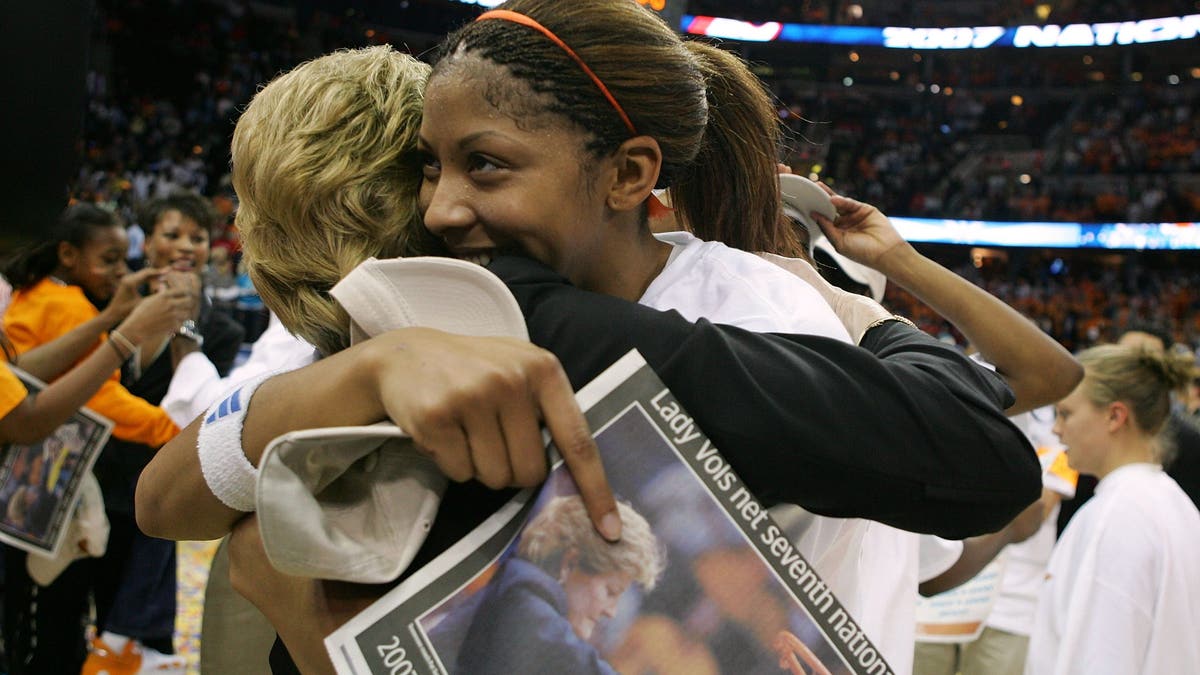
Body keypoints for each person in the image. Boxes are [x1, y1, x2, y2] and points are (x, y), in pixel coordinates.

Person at [135, 43, 1043, 674]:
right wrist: (358, 373)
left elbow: (986, 459)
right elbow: (162, 496)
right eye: (433, 167)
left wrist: (307, 616)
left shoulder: (587, 327)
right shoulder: (389, 352)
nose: (452, 205)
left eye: (481, 165)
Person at [1, 202, 196, 674]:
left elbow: (22, 375)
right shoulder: (66, 303)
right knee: (46, 627)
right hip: (41, 491)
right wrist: (177, 430)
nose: (119, 269)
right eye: (109, 259)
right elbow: (59, 406)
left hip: (50, 487)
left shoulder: (43, 296)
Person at [81, 191, 244, 674]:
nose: (186, 246)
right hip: (94, 473)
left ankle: (122, 652)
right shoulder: (105, 304)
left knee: (142, 591)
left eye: (197, 237)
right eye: (171, 234)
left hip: (157, 478)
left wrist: (184, 326)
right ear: (146, 242)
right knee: (90, 592)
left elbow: (201, 413)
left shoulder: (222, 330)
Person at [1024, 345, 1200, 674]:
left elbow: (1103, 658)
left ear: (1115, 416)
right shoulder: (1173, 503)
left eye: (1066, 414)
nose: (1056, 429)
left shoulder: (1118, 516)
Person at [440, 495, 664, 674]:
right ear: (570, 563)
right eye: (610, 592)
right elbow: (576, 659)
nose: (611, 612)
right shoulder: (523, 598)